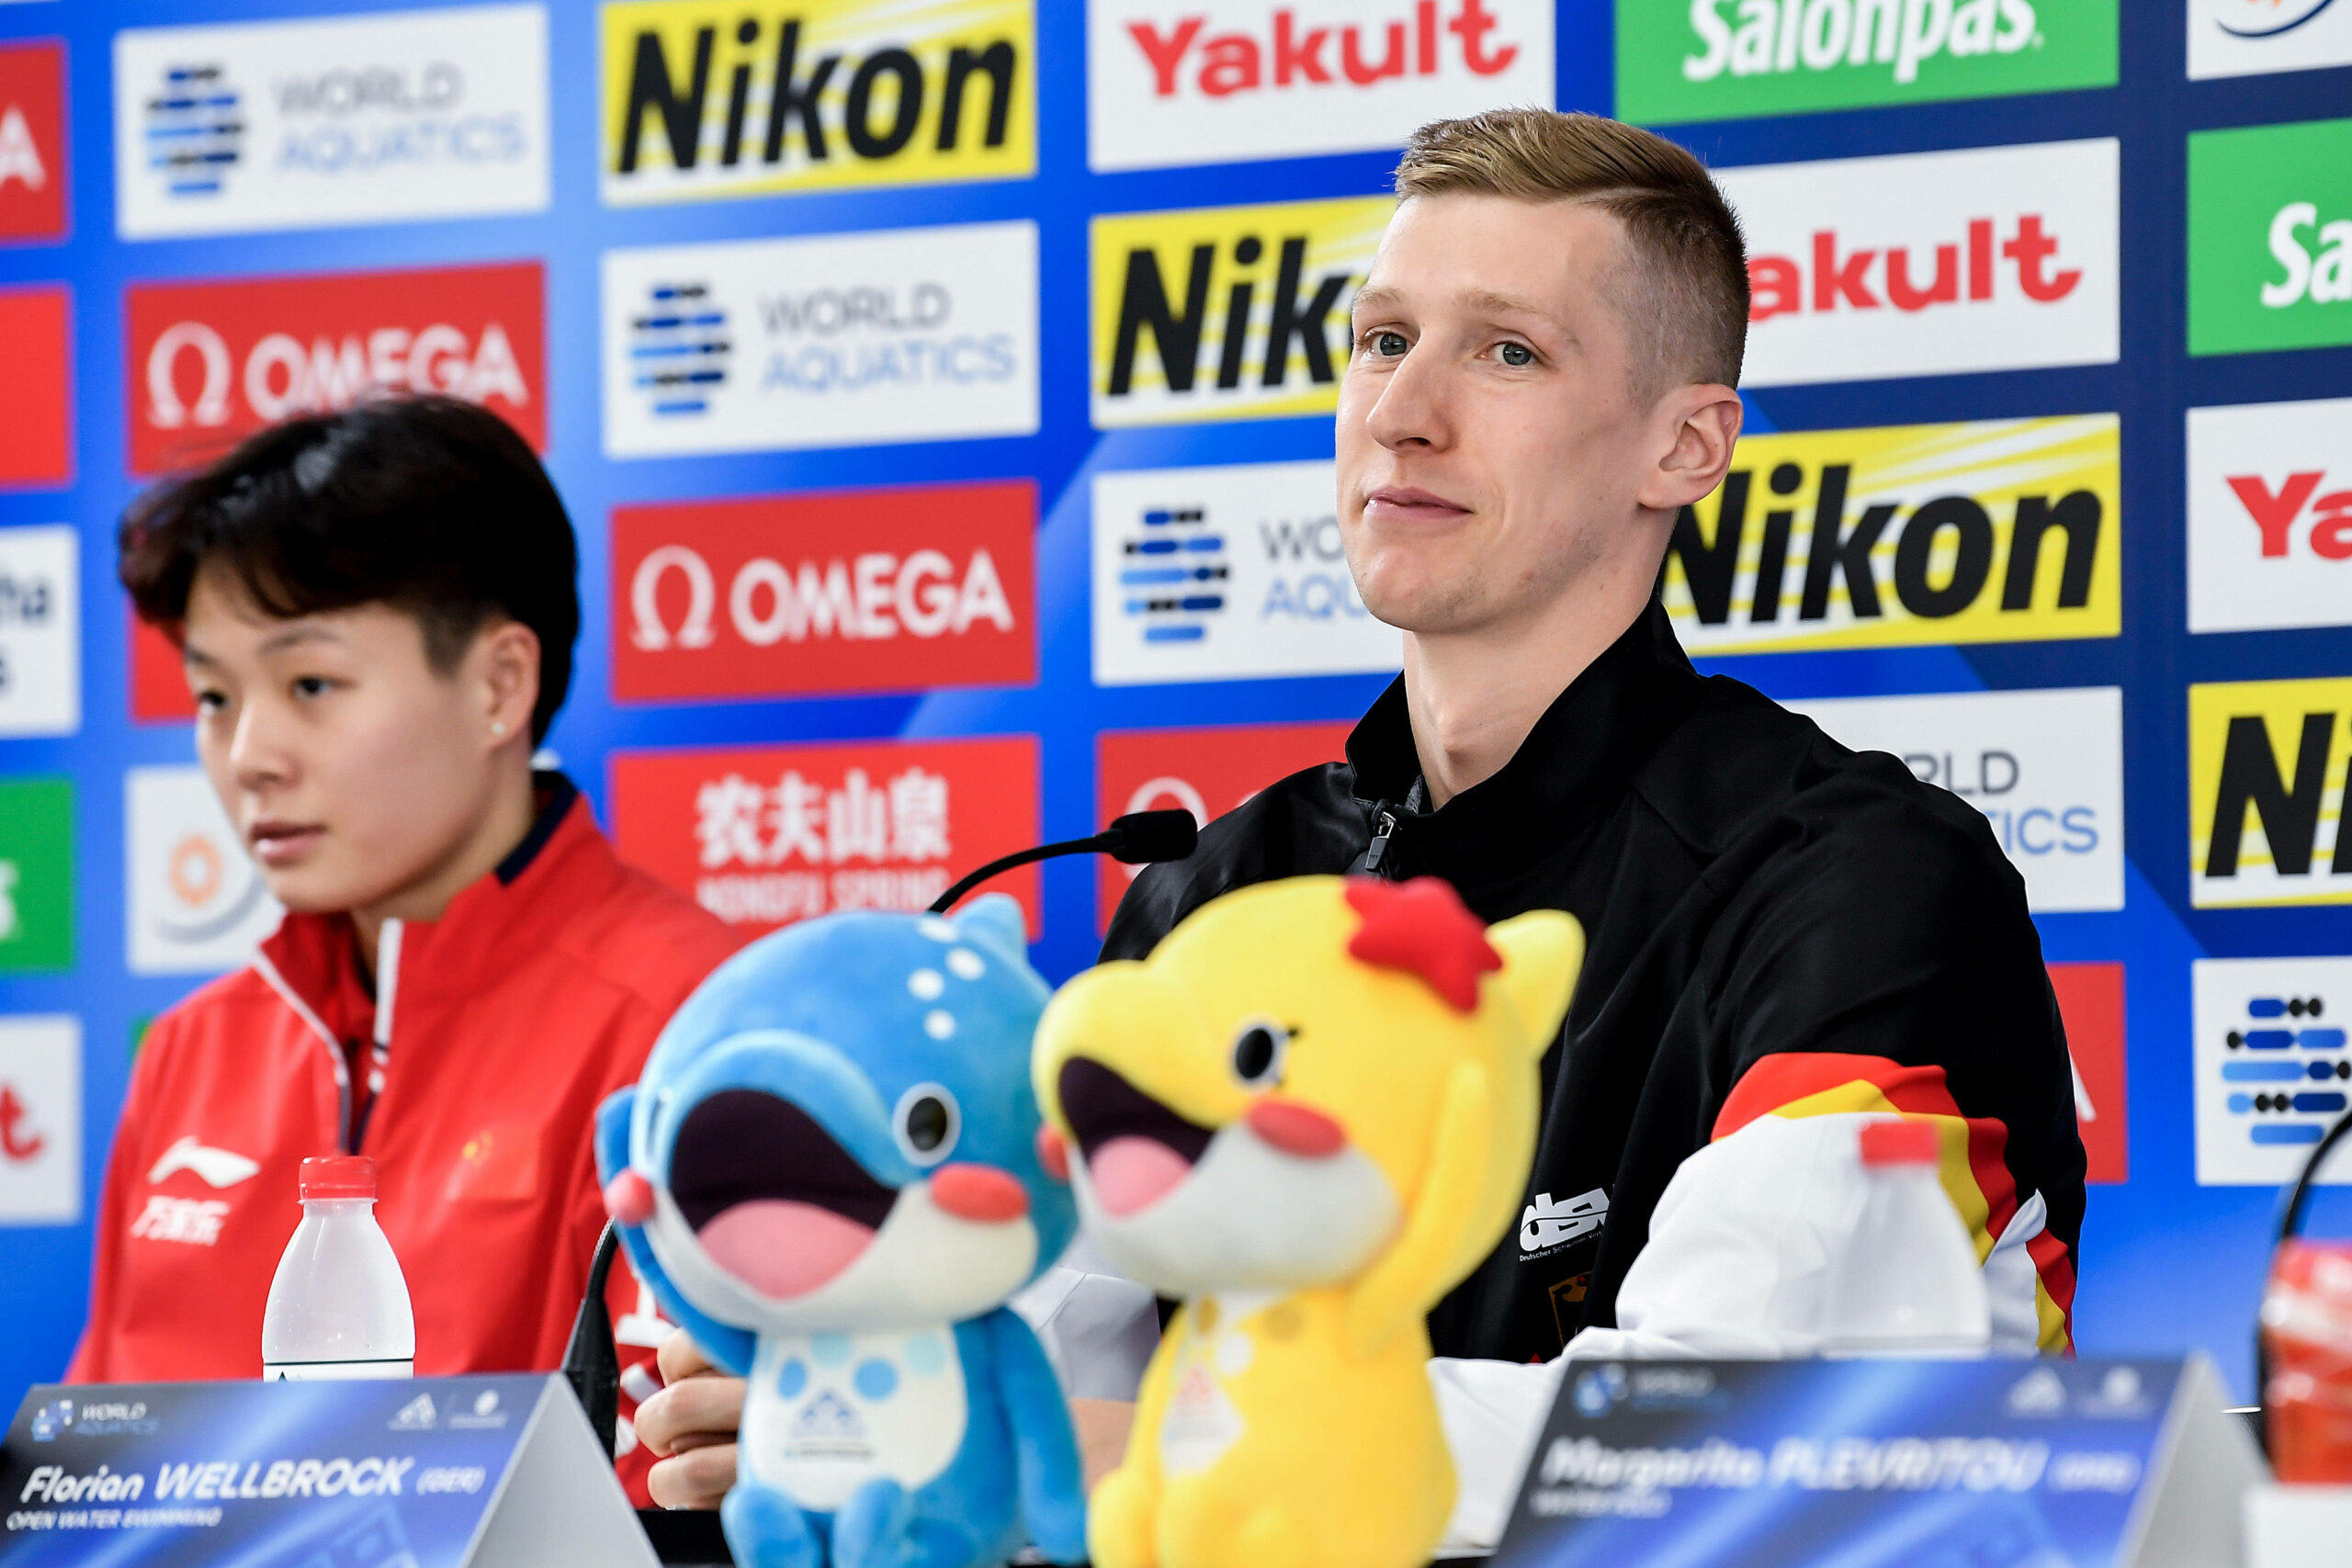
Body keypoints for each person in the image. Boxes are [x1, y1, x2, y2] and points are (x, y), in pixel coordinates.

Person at [634, 108, 2087, 1537]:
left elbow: (1756, 1429)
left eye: (1506, 350)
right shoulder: (1215, 892)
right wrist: (873, 1395)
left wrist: (1156, 1448)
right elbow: (1051, 1357)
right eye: (1383, 340)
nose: (1403, 408)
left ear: (1688, 448)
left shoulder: (1869, 881)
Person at [76, 396, 742, 1505]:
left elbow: (676, 1502)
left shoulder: (694, 1019)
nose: (248, 756)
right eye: (211, 695)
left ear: (498, 686)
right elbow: (87, 1504)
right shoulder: (190, 1051)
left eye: (311, 685)